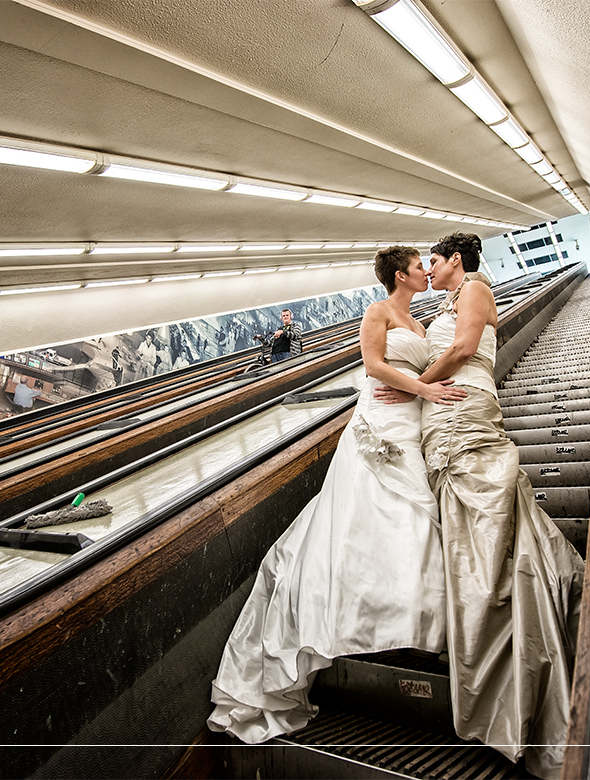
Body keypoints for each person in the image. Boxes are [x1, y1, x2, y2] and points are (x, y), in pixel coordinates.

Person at [208, 246, 466, 742]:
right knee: (384, 513)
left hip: (411, 420)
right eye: (418, 266)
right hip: (382, 424)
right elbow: (372, 366)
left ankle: (416, 621)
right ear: (399, 274)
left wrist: (426, 390)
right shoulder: (379, 312)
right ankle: (391, 628)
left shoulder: (417, 317)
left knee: (414, 513)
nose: (424, 271)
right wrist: (424, 390)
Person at [378, 233, 584, 779]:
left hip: (461, 411)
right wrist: (420, 391)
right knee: (473, 529)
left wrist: (416, 386)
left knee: (482, 528)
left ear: (457, 262)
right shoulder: (449, 300)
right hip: (444, 414)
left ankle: (501, 672)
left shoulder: (475, 288)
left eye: (436, 260)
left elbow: (465, 349)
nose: (431, 269)